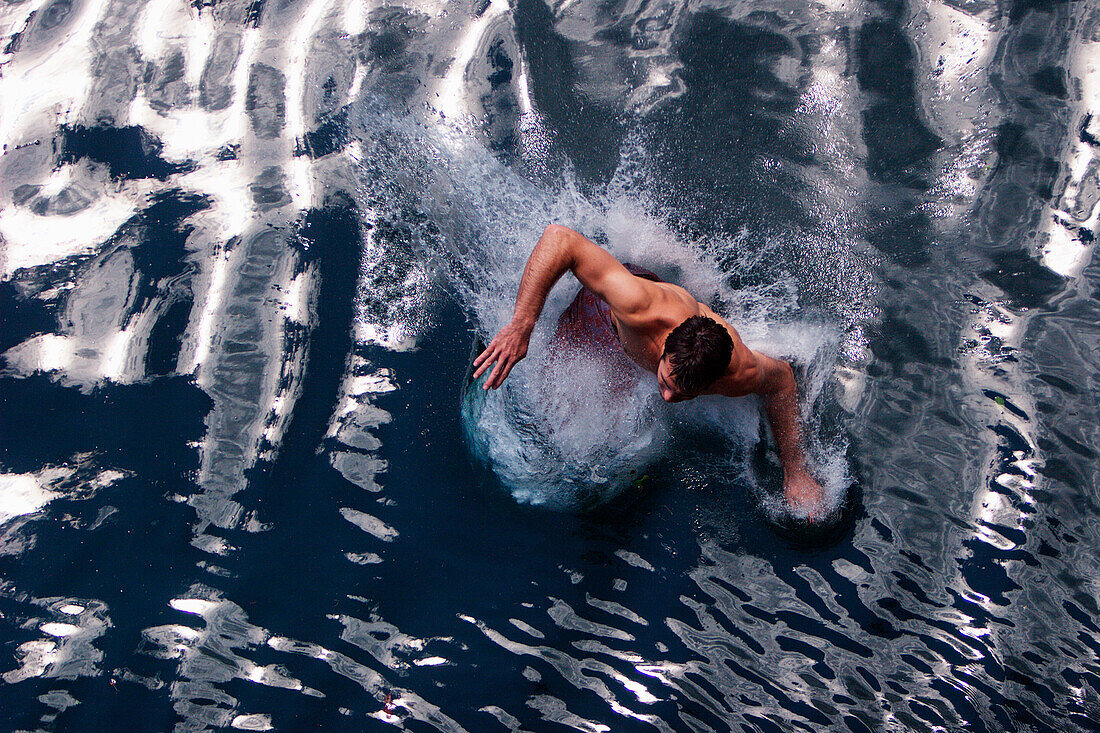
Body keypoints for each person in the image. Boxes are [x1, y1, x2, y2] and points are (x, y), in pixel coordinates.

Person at [472, 224, 825, 516]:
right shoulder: (640, 306)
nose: (668, 397)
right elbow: (561, 239)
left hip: (644, 340)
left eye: (682, 394)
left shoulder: (737, 371)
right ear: (667, 346)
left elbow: (781, 382)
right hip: (604, 315)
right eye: (666, 381)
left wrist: (796, 473)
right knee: (551, 412)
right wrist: (522, 325)